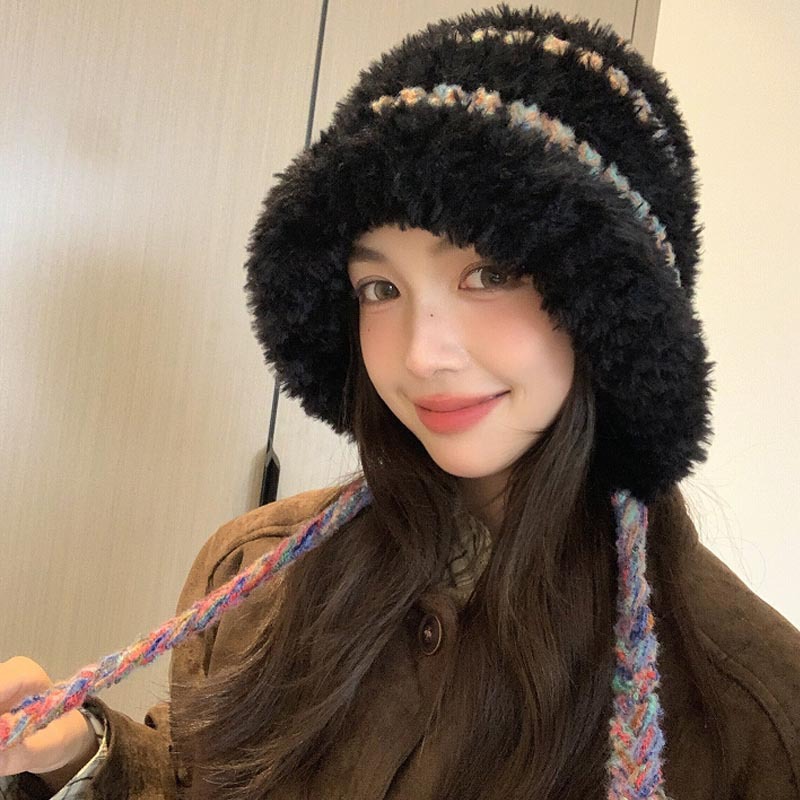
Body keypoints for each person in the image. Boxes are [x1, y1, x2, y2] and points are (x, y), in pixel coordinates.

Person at [2, 4, 799, 799]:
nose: (420, 354)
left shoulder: (753, 714)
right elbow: (192, 777)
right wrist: (81, 759)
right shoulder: (253, 574)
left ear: (607, 306)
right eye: (379, 287)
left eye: (488, 274)